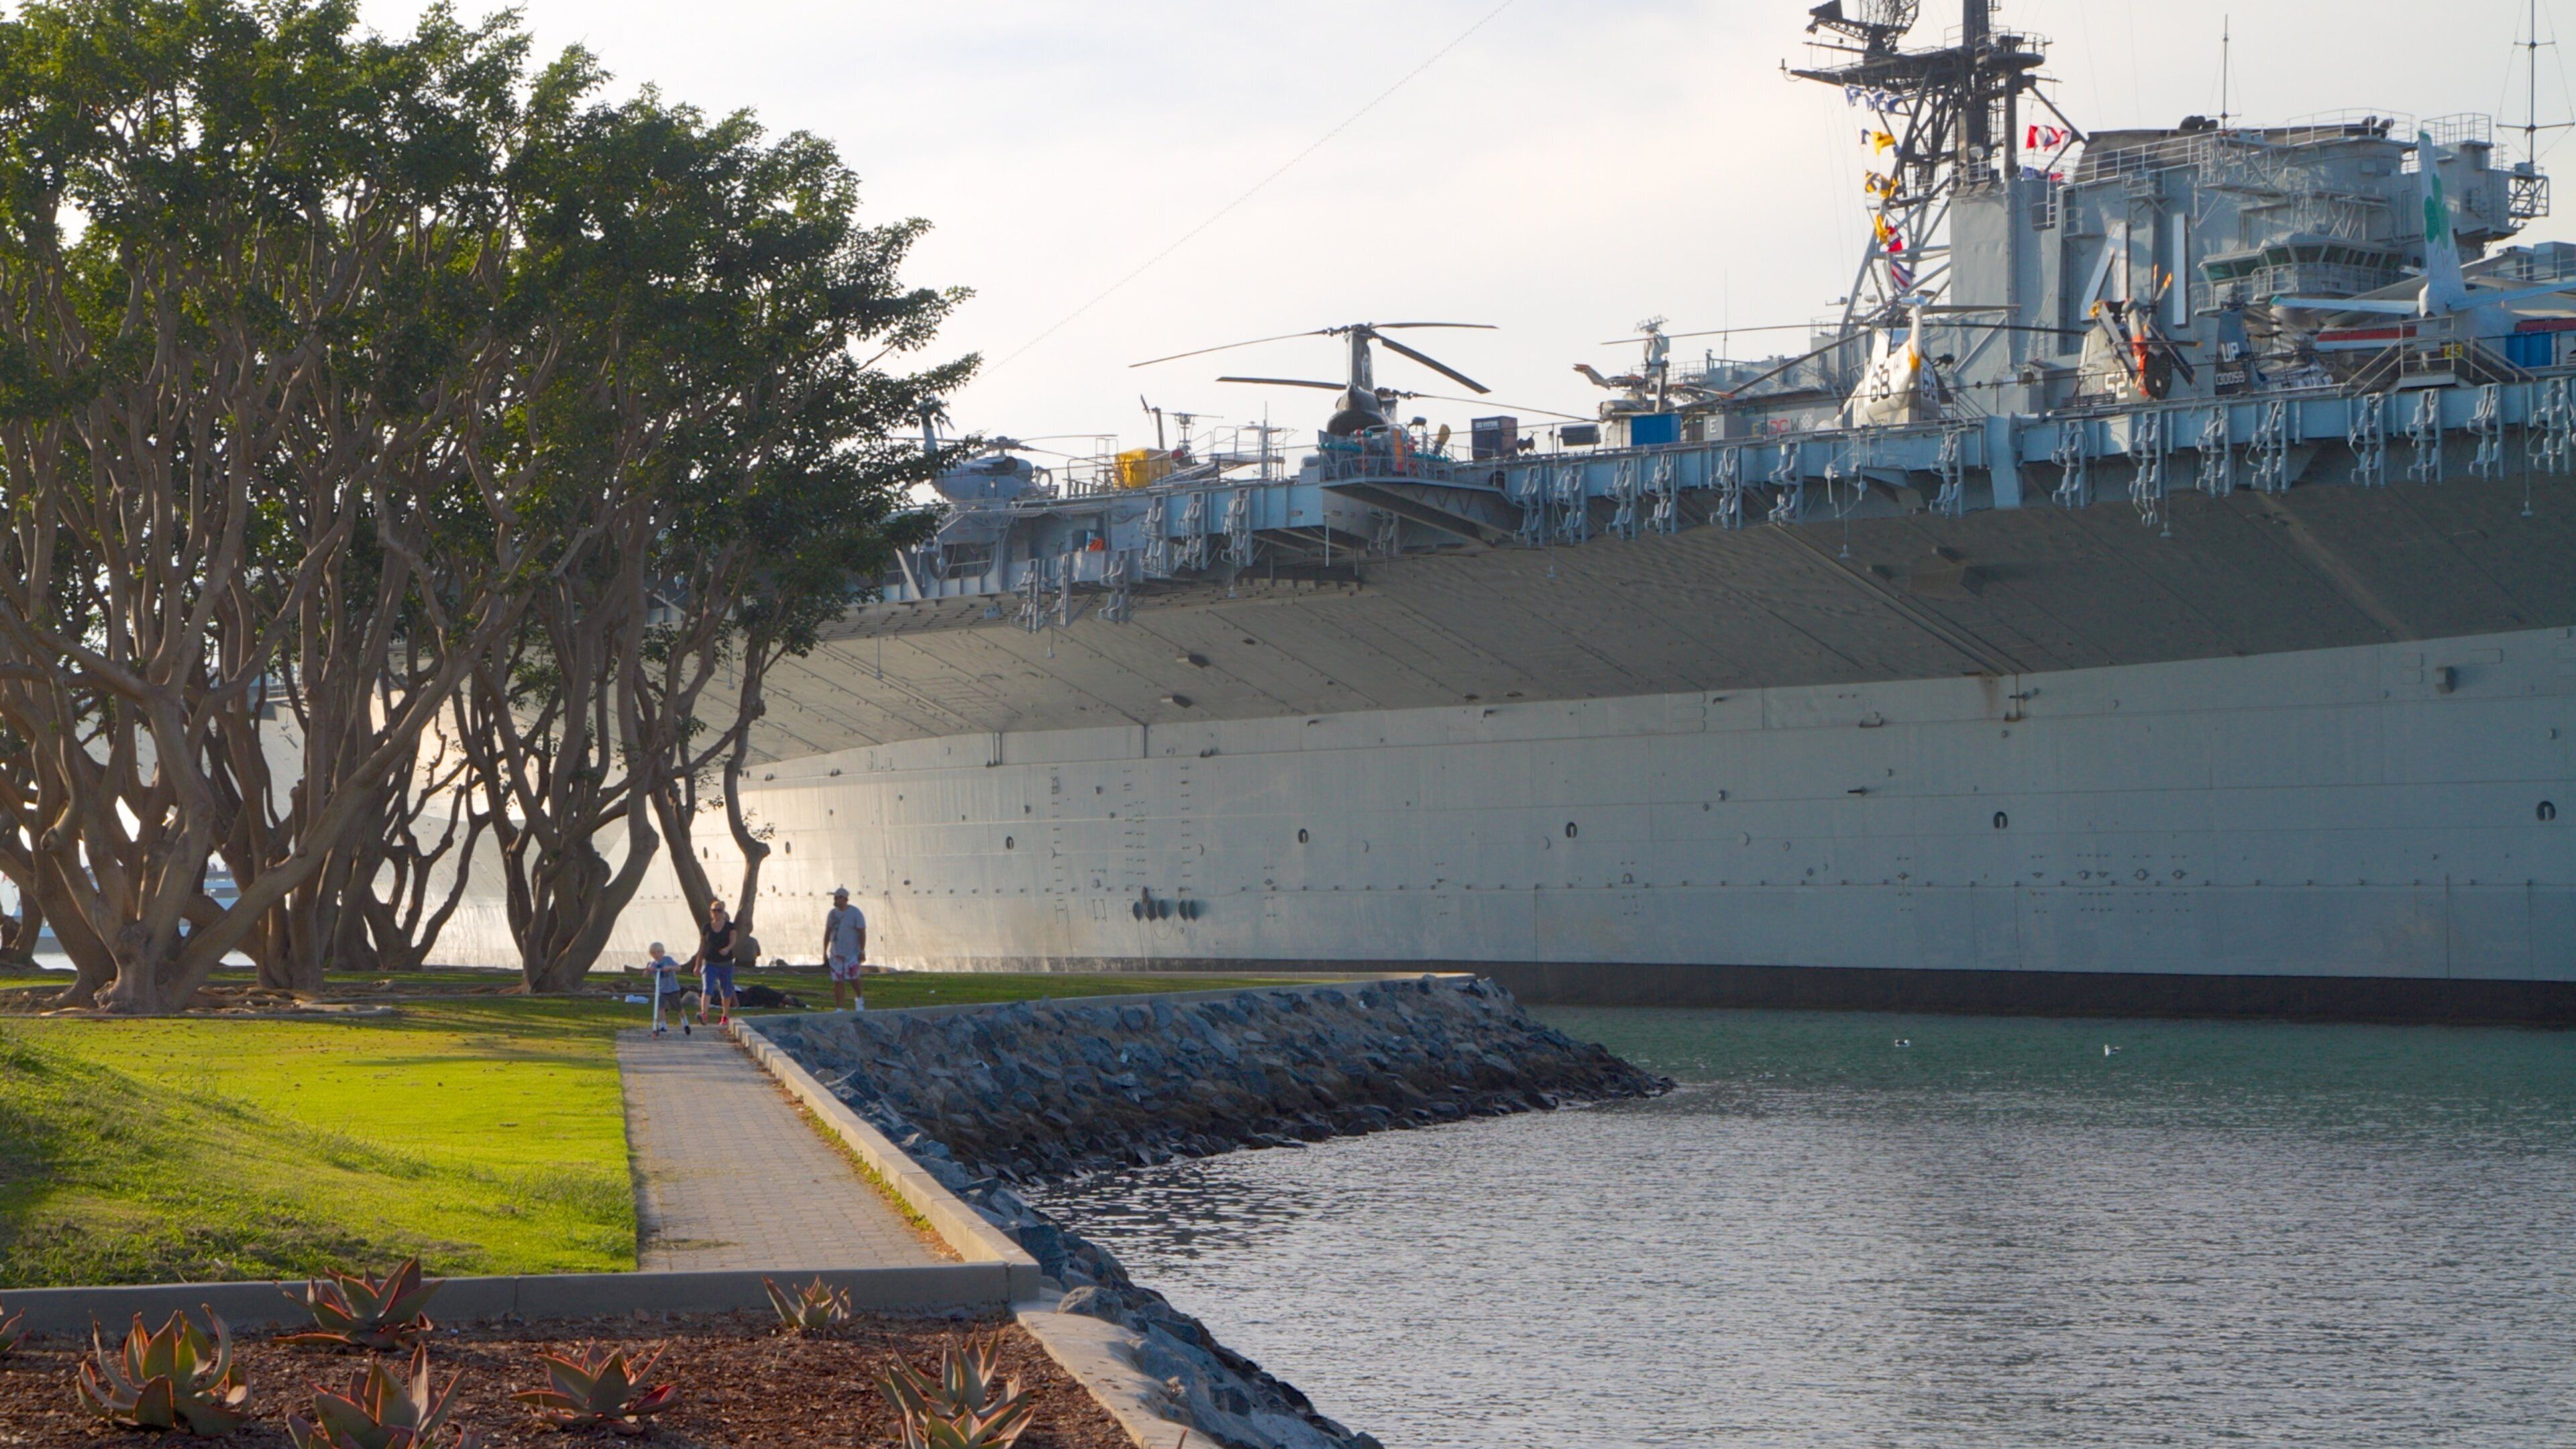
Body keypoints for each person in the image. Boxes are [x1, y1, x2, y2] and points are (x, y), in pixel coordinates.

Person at [688, 899, 741, 1028]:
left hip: (726, 964)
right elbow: (702, 947)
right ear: (710, 912)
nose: (716, 913)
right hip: (710, 962)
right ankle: (703, 1014)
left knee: (726, 990)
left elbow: (733, 941)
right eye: (714, 910)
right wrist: (697, 965)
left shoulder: (730, 927)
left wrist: (727, 949)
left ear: (724, 912)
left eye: (719, 910)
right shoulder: (706, 927)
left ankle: (725, 1015)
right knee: (707, 988)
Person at [823, 886, 867, 1012]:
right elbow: (828, 932)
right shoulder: (832, 914)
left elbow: (862, 932)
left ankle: (859, 998)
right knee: (838, 981)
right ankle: (839, 1008)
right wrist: (825, 951)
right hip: (836, 953)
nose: (836, 900)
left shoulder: (855, 913)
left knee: (854, 978)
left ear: (845, 899)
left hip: (852, 953)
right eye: (835, 898)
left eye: (838, 897)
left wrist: (862, 951)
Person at [645, 941, 690, 1037]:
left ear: (663, 952)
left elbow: (679, 968)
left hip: (672, 989)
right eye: (653, 953)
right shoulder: (653, 964)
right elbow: (645, 975)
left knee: (678, 1007)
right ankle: (663, 1025)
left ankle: (685, 1022)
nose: (656, 955)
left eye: (658, 952)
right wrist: (648, 970)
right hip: (661, 990)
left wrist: (670, 968)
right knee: (661, 1007)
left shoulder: (668, 960)